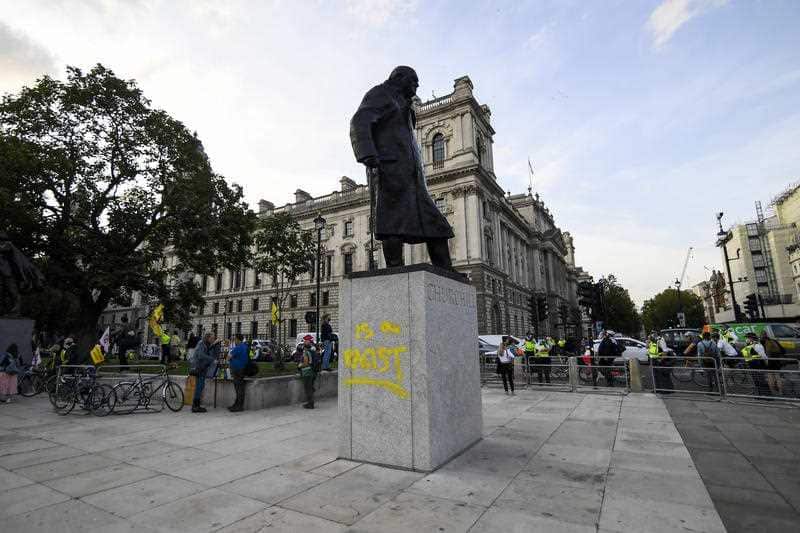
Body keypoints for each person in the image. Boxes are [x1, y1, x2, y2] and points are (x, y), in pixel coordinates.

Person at [350, 66, 455, 270]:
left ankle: (445, 268)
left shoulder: (404, 104)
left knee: (436, 222)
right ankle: (395, 267)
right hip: (388, 167)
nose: (416, 86)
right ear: (399, 78)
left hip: (412, 175)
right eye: (413, 81)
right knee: (392, 221)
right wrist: (368, 153)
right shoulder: (380, 94)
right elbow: (359, 121)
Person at [191, 332, 216, 413]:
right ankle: (195, 406)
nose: (213, 339)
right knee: (200, 386)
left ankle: (196, 405)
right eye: (212, 338)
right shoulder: (201, 344)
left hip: (202, 367)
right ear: (208, 338)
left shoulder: (206, 344)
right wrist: (212, 359)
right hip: (199, 367)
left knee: (200, 386)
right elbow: (201, 355)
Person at [742, 332, 770, 397]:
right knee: (756, 380)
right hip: (752, 365)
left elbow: (763, 356)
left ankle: (767, 395)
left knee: (761, 380)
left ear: (751, 338)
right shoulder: (749, 345)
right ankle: (759, 394)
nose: (746, 339)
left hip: (758, 364)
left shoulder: (757, 345)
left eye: (747, 338)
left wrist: (767, 364)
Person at [227, 333, 249, 412]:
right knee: (239, 387)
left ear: (238, 339)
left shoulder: (238, 347)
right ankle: (236, 404)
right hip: (242, 368)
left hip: (237, 369)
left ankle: (239, 406)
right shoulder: (244, 346)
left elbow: (228, 357)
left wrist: (229, 356)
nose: (234, 341)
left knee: (238, 388)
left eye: (235, 339)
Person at [761, 330, 786, 397]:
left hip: (768, 362)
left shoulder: (761, 343)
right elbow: (783, 350)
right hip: (777, 361)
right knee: (778, 377)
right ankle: (780, 393)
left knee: (770, 378)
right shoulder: (773, 341)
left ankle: (773, 393)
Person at [298, 335, 317, 409]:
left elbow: (306, 363)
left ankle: (310, 404)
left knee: (308, 388)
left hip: (307, 372)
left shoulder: (306, 353)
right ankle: (311, 402)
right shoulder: (313, 351)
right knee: (310, 388)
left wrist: (300, 366)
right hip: (312, 371)